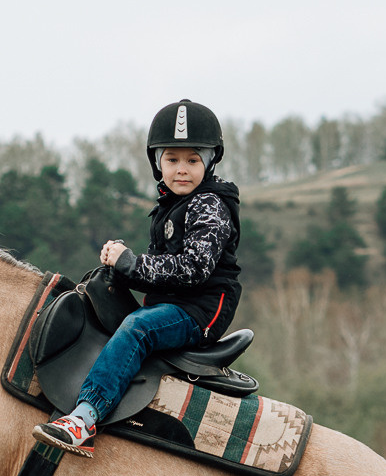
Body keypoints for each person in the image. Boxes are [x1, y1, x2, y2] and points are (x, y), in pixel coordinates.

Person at [34, 98, 243, 456]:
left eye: (193, 160)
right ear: (156, 162)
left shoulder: (210, 204)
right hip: (174, 303)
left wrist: (132, 264)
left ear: (209, 163)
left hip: (200, 311)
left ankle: (84, 417)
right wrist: (119, 270)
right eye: (172, 159)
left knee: (139, 327)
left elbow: (193, 269)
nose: (182, 169)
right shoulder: (169, 208)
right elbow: (159, 274)